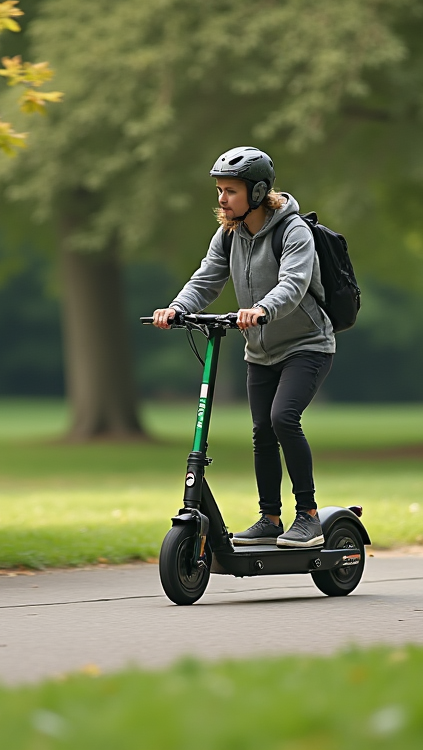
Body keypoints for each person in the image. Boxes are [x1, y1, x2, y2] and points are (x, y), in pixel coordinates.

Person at [152, 146, 335, 549]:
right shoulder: (229, 233)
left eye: (230, 190)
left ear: (257, 192)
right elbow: (207, 277)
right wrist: (178, 308)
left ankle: (308, 517)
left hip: (307, 345)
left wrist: (262, 309)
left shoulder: (293, 231)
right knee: (262, 432)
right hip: (260, 352)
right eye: (219, 190)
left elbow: (294, 282)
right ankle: (270, 517)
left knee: (283, 418)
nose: (221, 199)